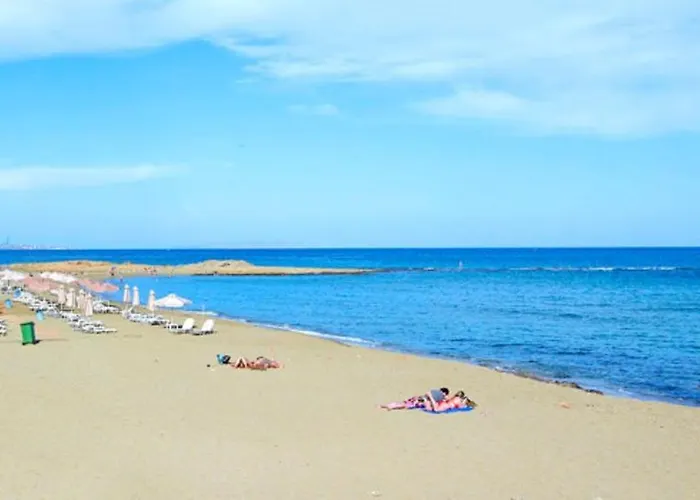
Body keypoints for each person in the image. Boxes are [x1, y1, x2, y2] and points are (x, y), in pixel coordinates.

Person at [380, 387, 450, 411]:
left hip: (418, 397)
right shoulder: (441, 396)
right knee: (405, 405)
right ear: (444, 393)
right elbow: (446, 400)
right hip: (421, 401)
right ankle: (391, 406)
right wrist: (445, 396)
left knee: (403, 403)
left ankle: (387, 405)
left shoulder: (435, 391)